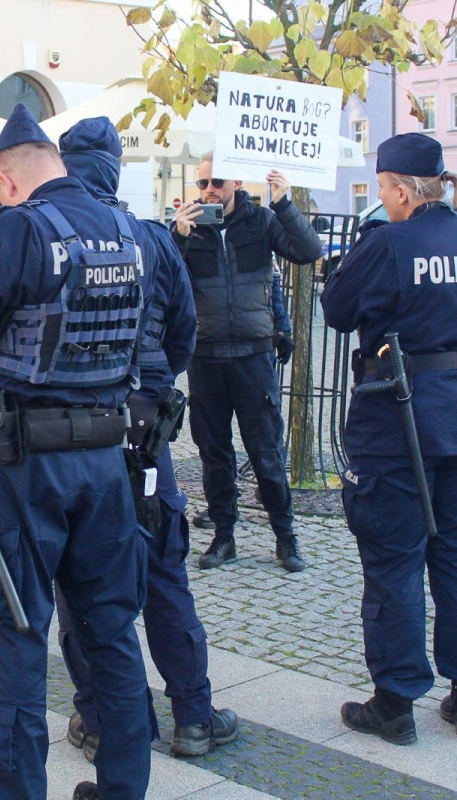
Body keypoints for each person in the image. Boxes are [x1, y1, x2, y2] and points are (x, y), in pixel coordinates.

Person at [0, 104, 153, 800]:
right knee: (110, 632)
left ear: (6, 180)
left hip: (24, 466)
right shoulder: (130, 230)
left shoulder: (17, 229)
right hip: (107, 460)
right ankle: (123, 788)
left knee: (18, 639)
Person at [53, 117, 239, 769]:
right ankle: (191, 715)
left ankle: (101, 717)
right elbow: (183, 332)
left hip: (75, 432)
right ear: (114, 168)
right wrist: (155, 383)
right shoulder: (153, 239)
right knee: (163, 574)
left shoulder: (45, 233)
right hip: (145, 427)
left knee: (81, 580)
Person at [320, 133, 457, 745]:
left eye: (381, 191)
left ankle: (395, 702)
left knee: (395, 560)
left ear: (398, 190)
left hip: (399, 421)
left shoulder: (388, 243)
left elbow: (338, 310)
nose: (383, 200)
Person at [171, 155, 321, 572]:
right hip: (207, 358)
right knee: (213, 454)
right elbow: (165, 282)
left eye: (216, 181)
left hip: (254, 356)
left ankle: (285, 537)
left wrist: (285, 202)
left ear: (236, 179)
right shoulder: (190, 228)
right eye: (202, 183)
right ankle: (224, 537)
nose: (208, 190)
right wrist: (179, 236)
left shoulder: (261, 221)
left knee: (266, 452)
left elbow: (308, 251)